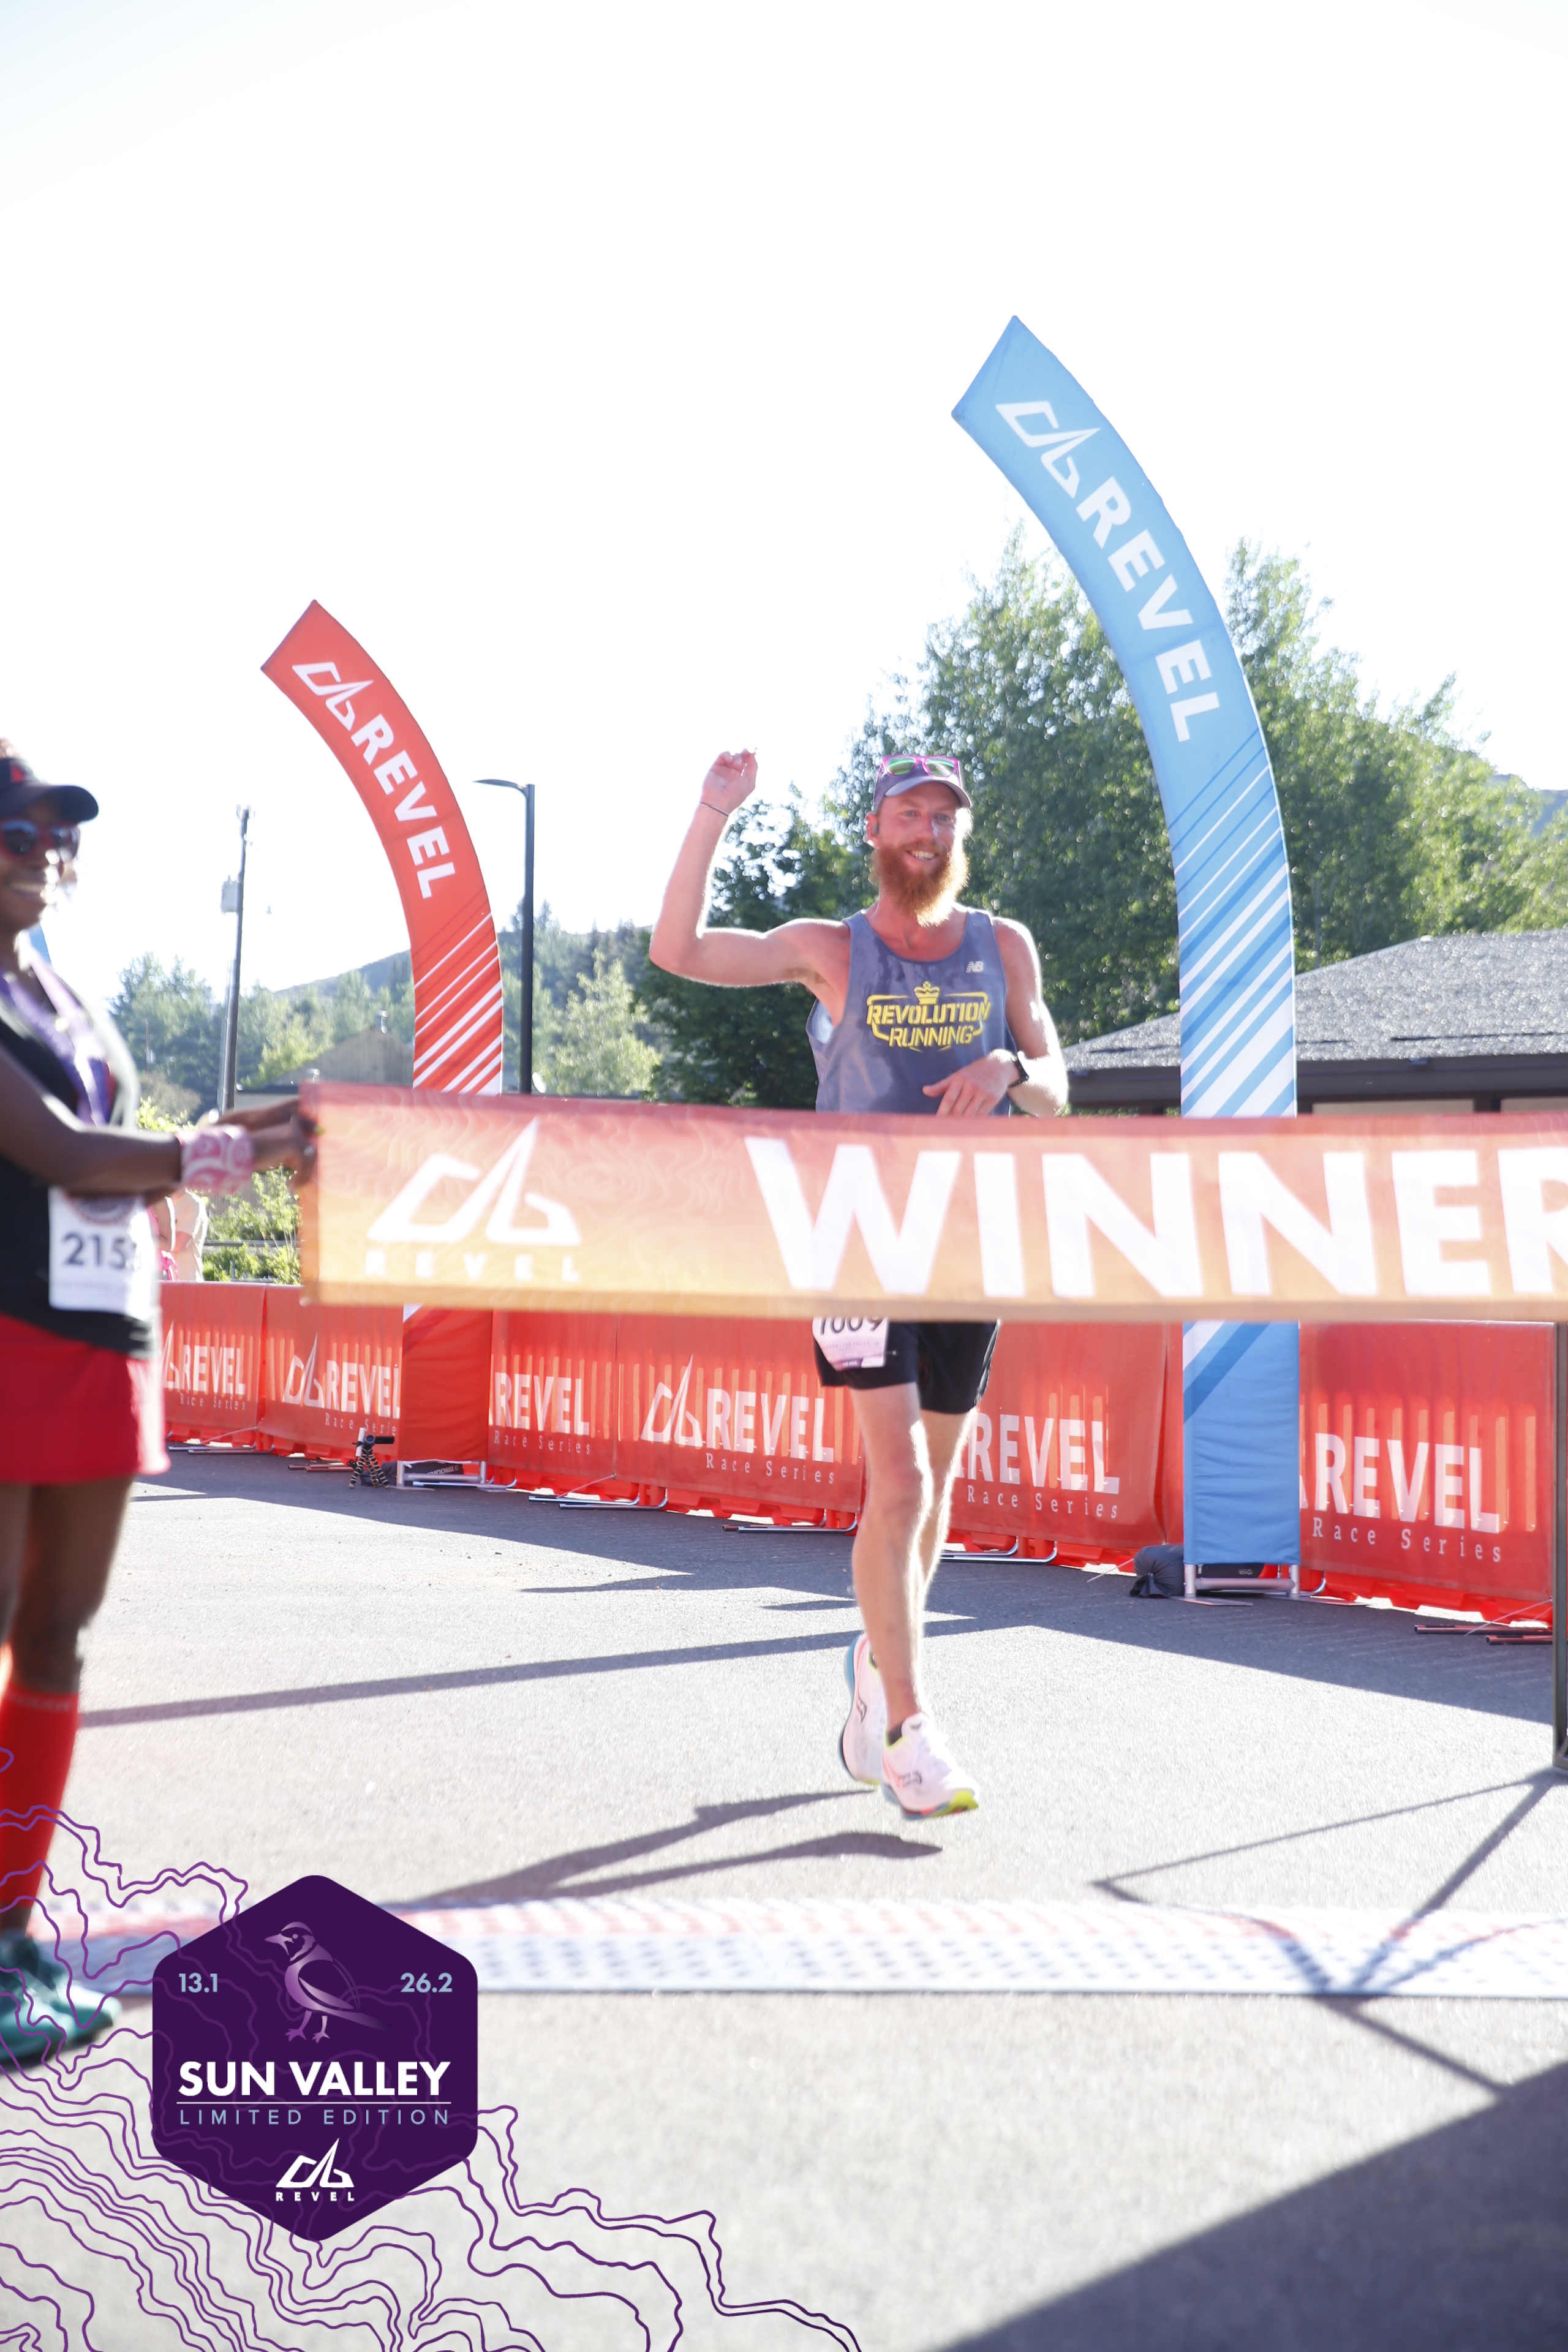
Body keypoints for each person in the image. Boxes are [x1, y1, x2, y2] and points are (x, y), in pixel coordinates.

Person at [650, 749, 1068, 1817]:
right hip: (857, 1241)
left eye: (945, 817)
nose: (929, 832)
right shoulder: (832, 948)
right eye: (910, 814)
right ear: (876, 830)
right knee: (904, 1483)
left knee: (932, 1494)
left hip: (968, 1242)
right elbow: (677, 950)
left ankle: (877, 1666)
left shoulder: (1003, 945)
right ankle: (909, 1732)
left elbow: (1059, 1086)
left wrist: (1011, 1068)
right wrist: (712, 813)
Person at [0, 744, 314, 2066]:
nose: (40, 849)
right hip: (7, 1329)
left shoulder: (65, 992)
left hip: (105, 1335)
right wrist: (206, 1151)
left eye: (55, 831)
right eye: (14, 830)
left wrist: (282, 1124)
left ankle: (10, 1935)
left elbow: (140, 1148)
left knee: (58, 1636)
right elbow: (61, 1149)